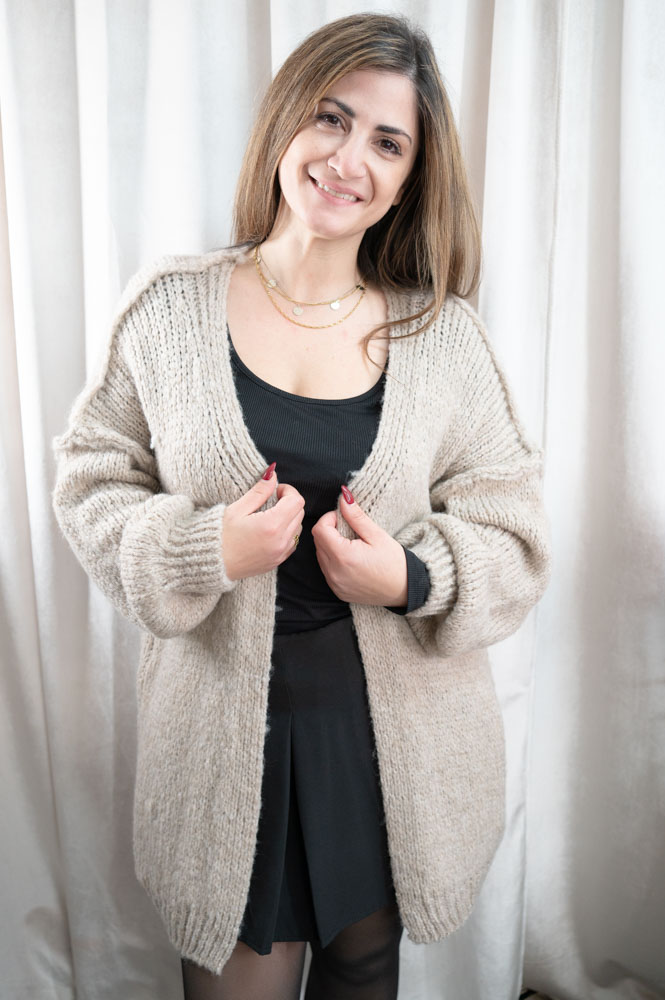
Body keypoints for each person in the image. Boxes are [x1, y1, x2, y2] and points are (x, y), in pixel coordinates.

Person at [51, 12, 552, 1000]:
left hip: (385, 747)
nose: (347, 158)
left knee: (364, 972)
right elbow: (90, 478)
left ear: (409, 179)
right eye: (331, 117)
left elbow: (516, 531)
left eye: (387, 142)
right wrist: (202, 550)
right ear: (286, 119)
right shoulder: (170, 309)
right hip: (220, 744)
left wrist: (411, 575)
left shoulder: (443, 338)